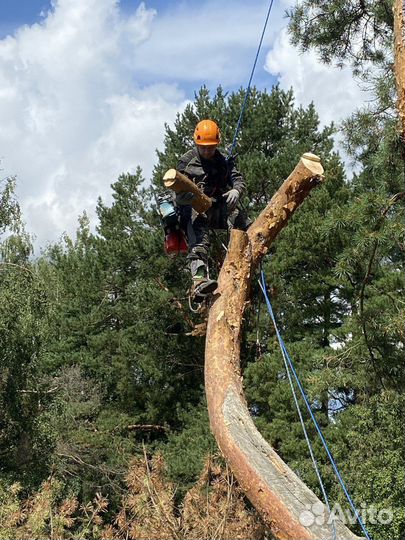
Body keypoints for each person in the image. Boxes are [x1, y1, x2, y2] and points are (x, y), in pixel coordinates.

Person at [175, 119, 249, 302]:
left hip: (214, 206)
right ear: (196, 143)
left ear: (217, 144)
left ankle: (248, 255)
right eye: (203, 147)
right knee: (199, 235)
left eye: (211, 147)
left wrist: (236, 190)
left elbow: (238, 180)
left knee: (241, 218)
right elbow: (175, 187)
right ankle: (199, 281)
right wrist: (181, 198)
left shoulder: (223, 161)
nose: (207, 151)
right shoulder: (187, 162)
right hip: (191, 210)